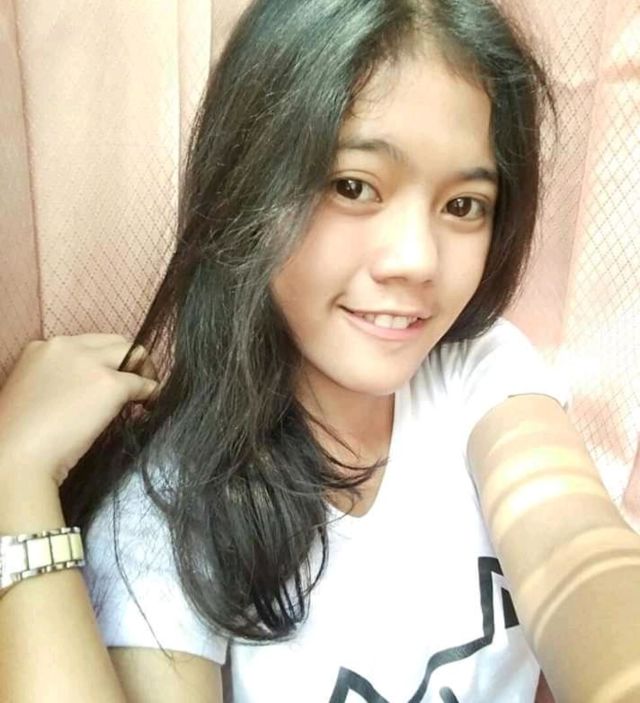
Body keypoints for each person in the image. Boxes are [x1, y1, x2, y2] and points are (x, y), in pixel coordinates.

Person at [1, 0, 639, 701]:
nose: (416, 260)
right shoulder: (172, 514)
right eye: (353, 187)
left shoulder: (478, 374)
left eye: (463, 205)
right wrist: (15, 478)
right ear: (249, 185)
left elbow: (582, 556)